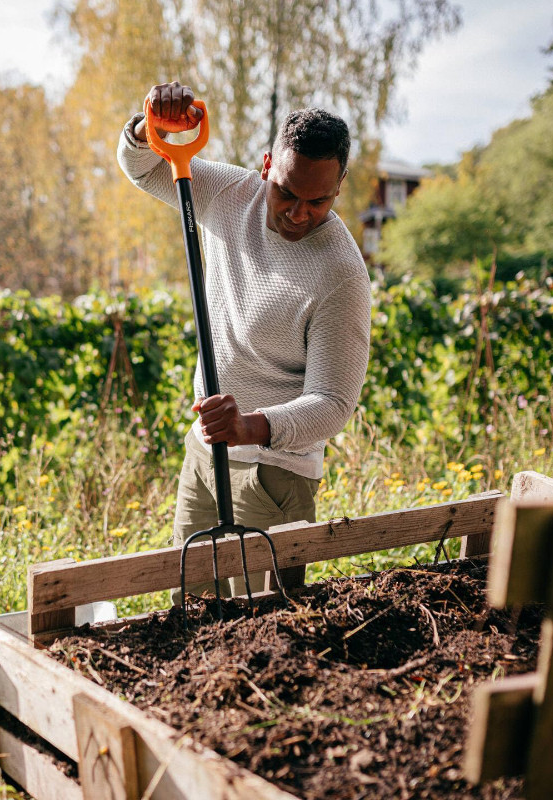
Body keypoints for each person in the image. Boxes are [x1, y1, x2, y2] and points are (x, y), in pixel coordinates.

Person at [117, 81, 371, 600]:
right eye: (286, 192)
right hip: (203, 456)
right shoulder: (227, 195)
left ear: (339, 187)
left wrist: (249, 426)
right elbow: (141, 166)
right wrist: (152, 126)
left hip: (273, 479)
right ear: (265, 167)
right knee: (191, 610)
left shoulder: (341, 275)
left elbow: (334, 403)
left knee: (267, 632)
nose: (299, 213)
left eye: (318, 201)